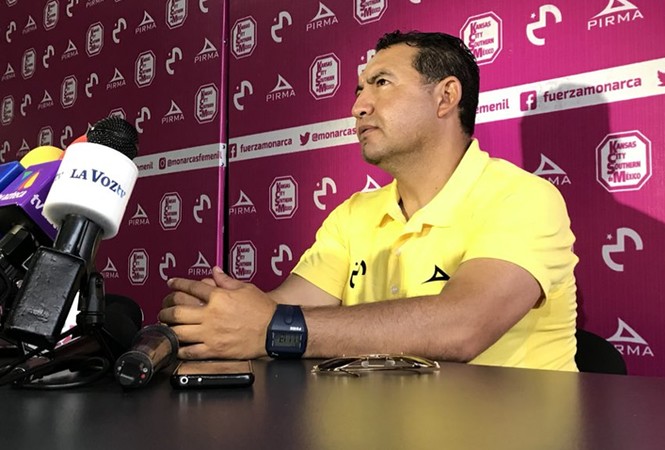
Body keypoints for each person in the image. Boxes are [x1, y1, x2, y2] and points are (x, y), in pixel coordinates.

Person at [159, 31, 579, 370]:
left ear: (446, 97)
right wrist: (216, 315)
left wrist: (272, 328)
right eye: (359, 90)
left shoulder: (523, 198)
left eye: (381, 83)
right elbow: (279, 310)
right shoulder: (353, 214)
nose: (358, 106)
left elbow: (463, 326)